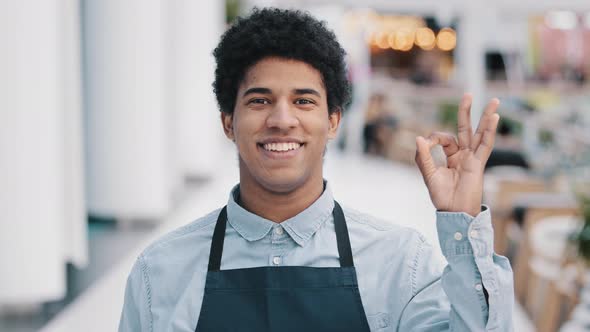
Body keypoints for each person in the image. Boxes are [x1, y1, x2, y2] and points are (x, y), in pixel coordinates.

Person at [119, 8, 513, 332]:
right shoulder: (161, 272)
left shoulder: (400, 264)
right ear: (227, 122)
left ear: (334, 121)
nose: (282, 119)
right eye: (259, 100)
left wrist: (462, 227)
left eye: (304, 101)